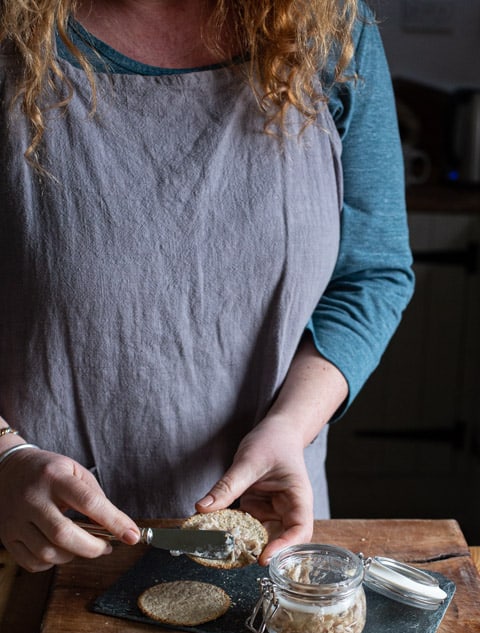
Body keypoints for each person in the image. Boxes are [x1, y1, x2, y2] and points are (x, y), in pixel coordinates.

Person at [0, 0, 414, 573]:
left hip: (268, 536)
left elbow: (370, 274)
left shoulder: (331, 26)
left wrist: (290, 426)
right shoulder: (10, 34)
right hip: (40, 542)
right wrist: (5, 457)